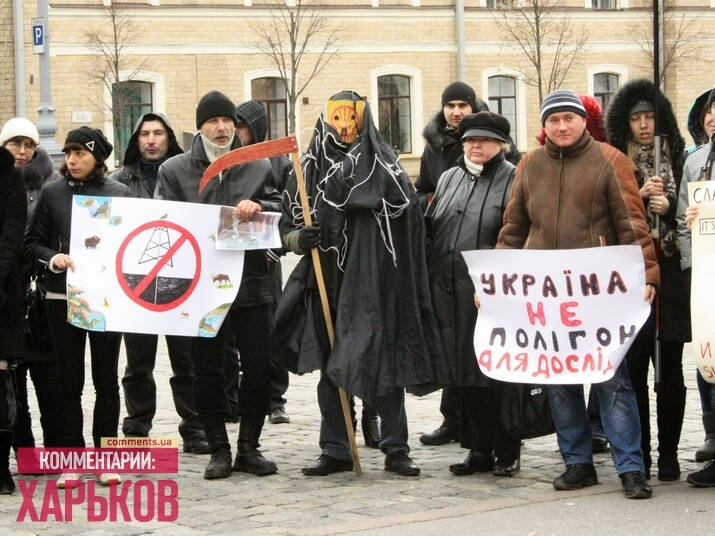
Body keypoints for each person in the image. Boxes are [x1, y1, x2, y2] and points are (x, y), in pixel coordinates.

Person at [497, 89, 659, 499]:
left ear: (584, 121)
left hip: (598, 293)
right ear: (544, 126)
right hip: (547, 296)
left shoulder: (610, 160)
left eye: (569, 118)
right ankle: (577, 463)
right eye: (553, 120)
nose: (562, 126)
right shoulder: (530, 164)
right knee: (559, 382)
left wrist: (647, 274)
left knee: (612, 381)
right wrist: (495, 284)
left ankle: (631, 468)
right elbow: (513, 228)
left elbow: (632, 224)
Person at [274, 91, 445, 476]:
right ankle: (335, 447)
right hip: (326, 281)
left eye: (351, 118)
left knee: (382, 360)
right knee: (330, 366)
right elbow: (286, 226)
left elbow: (408, 218)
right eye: (337, 118)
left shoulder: (385, 165)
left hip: (376, 283)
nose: (344, 127)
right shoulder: (307, 168)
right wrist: (299, 238)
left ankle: (396, 447)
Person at [156, 90, 281, 480]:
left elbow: (281, 210)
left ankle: (249, 448)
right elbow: (162, 220)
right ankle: (219, 450)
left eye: (228, 120)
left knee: (258, 368)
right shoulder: (175, 170)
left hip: (251, 282)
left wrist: (261, 207)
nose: (222, 127)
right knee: (207, 370)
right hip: (201, 287)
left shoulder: (258, 165)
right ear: (200, 127)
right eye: (213, 121)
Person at [25, 127, 130, 488]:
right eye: (68, 153)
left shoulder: (119, 193)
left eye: (80, 153)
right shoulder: (53, 192)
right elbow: (32, 243)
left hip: (106, 301)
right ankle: (72, 459)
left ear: (97, 157)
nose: (71, 160)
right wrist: (53, 259)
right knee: (67, 382)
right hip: (62, 299)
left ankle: (106, 457)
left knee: (106, 380)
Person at [417, 81, 520, 447]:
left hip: (490, 294)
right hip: (450, 291)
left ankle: (504, 448)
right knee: (461, 371)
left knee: (494, 374)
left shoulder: (513, 178)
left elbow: (516, 233)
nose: (476, 146)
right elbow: (432, 228)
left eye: (485, 140)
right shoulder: (449, 178)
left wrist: (496, 281)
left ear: (501, 144)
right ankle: (475, 448)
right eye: (470, 140)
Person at [110, 113, 209, 454]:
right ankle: (137, 428)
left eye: (158, 133)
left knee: (187, 361)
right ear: (135, 139)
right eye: (145, 134)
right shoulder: (120, 181)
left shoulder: (186, 174)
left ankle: (195, 428)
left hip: (180, 281)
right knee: (138, 362)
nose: (151, 140)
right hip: (138, 283)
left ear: (169, 137)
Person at [604, 78, 688, 481]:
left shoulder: (679, 159)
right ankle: (639, 455)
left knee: (669, 368)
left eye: (650, 117)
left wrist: (668, 205)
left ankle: (668, 453)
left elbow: (690, 209)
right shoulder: (614, 161)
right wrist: (637, 195)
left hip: (669, 272)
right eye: (636, 118)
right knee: (634, 369)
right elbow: (606, 209)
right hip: (631, 273)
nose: (643, 125)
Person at [0, 117, 61, 452]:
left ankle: (55, 449)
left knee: (50, 378)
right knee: (12, 377)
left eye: (29, 145)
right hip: (8, 292)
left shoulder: (52, 185)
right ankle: (23, 450)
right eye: (15, 144)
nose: (22, 151)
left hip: (42, 291)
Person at [234, 100, 292, 426]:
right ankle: (235, 397)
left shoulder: (277, 162)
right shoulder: (229, 161)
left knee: (271, 329)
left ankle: (276, 399)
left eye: (241, 126)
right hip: (231, 258)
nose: (235, 132)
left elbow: (289, 207)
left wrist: (277, 246)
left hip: (266, 260)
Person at [676, 88, 715, 487]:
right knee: (708, 358)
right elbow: (680, 222)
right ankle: (712, 436)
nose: (713, 117)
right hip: (706, 275)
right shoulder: (695, 162)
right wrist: (693, 266)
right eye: (709, 112)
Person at [0, 146, 28, 494]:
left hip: (3, 293)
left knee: (1, 379)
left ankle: (1, 466)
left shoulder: (9, 174)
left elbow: (11, 236)